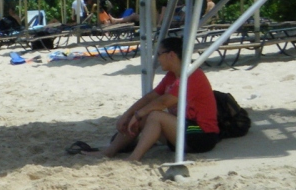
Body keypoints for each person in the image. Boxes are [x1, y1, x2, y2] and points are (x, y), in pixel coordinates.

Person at [89, 36, 221, 160]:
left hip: (201, 133)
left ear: (171, 55)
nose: (157, 58)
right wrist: (128, 114)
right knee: (144, 116)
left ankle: (133, 158)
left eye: (158, 54)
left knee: (155, 115)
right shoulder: (172, 76)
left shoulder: (193, 75)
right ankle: (109, 151)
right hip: (182, 130)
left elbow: (164, 102)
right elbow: (150, 98)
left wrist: (138, 114)